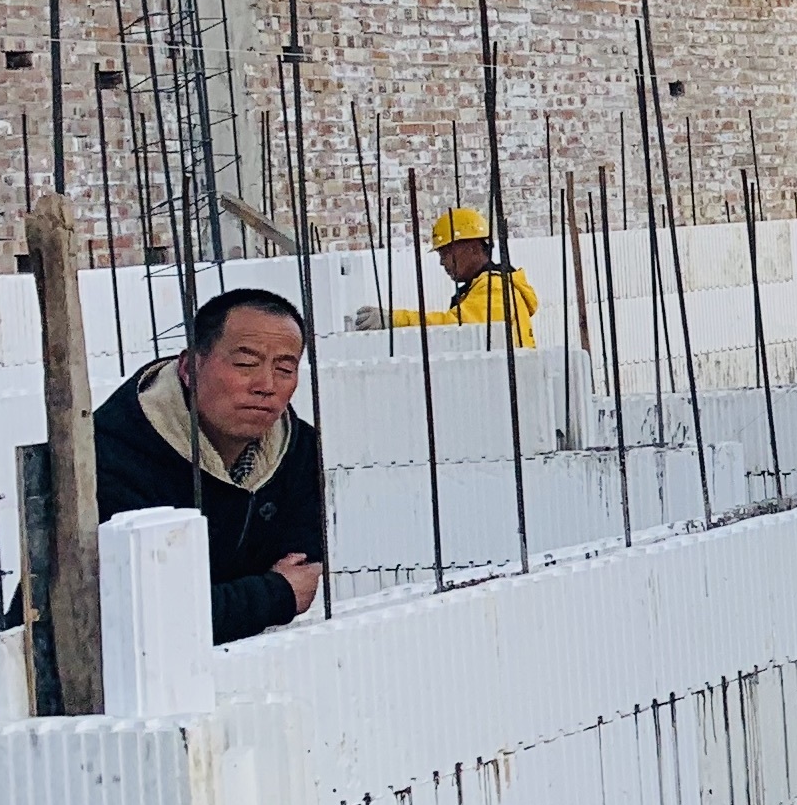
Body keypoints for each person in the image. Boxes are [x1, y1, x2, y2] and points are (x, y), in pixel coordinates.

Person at [95, 286, 329, 642]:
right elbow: (139, 620)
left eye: (285, 369)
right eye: (246, 364)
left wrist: (224, 602)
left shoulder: (299, 449)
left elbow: (303, 580)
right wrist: (272, 595)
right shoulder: (113, 453)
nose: (266, 385)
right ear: (189, 368)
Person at [356, 206, 539, 347]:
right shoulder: (479, 288)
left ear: (473, 248)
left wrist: (395, 320)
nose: (442, 263)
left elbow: (456, 328)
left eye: (446, 254)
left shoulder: (496, 289)